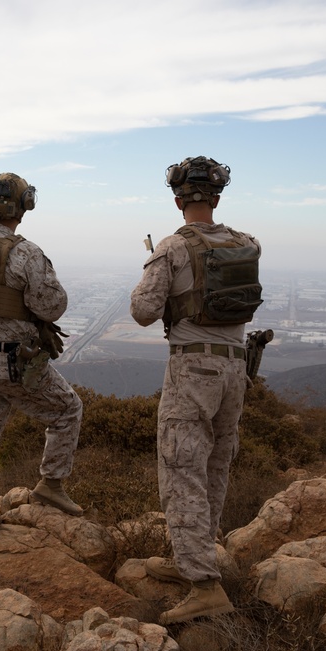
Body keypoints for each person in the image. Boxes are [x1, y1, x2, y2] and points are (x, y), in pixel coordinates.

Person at [129, 156, 261, 624]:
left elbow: (143, 311)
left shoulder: (172, 247)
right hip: (235, 369)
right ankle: (193, 557)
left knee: (181, 469)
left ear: (177, 200)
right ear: (218, 198)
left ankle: (204, 586)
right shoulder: (248, 243)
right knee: (214, 466)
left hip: (192, 370)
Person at [0, 172, 84, 543]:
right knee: (67, 410)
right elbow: (52, 306)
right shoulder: (27, 254)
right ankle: (51, 484)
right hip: (12, 363)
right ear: (24, 208)